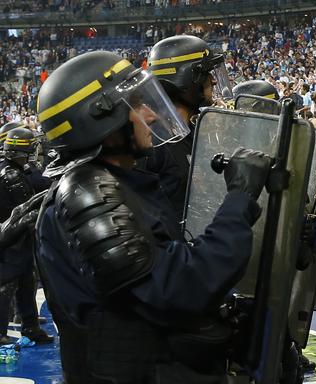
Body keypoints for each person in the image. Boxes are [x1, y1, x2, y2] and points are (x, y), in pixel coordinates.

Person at [35, 51, 272, 382]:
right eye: (136, 105)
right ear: (103, 119)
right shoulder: (89, 195)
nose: (152, 114)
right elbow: (181, 288)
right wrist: (239, 199)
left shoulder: (119, 183)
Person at [147, 35, 228, 221]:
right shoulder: (155, 144)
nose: (214, 81)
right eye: (207, 73)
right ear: (190, 78)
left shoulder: (192, 134)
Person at [0, 127, 52, 345]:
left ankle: (30, 326)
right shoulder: (12, 175)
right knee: (9, 283)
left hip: (13, 235)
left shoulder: (10, 169)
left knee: (26, 281)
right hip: (13, 237)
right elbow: (26, 210)